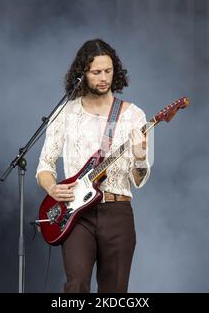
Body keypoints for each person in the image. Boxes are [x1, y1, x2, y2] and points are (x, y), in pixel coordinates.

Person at [35, 39, 151, 293]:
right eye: (96, 72)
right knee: (75, 286)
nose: (103, 78)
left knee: (114, 291)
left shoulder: (134, 116)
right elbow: (44, 165)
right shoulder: (65, 113)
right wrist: (53, 189)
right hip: (77, 215)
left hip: (117, 211)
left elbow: (139, 180)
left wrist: (140, 155)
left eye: (108, 71)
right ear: (82, 73)